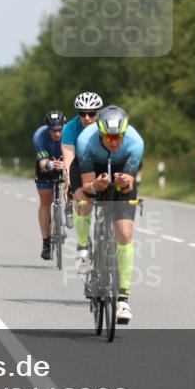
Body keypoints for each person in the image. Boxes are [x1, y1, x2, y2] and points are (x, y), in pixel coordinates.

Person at [75, 105, 144, 325]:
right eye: (108, 137)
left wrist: (124, 184)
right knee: (83, 199)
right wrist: (95, 185)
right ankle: (83, 246)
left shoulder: (135, 143)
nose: (113, 142)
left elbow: (128, 186)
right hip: (94, 166)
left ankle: (123, 299)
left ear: (124, 133)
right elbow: (87, 186)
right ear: (100, 133)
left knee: (124, 234)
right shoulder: (86, 140)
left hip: (122, 167)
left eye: (117, 137)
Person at [61, 92, 103, 231]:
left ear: (99, 112)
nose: (87, 118)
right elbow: (69, 158)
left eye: (91, 114)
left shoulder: (106, 125)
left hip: (100, 162)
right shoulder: (70, 128)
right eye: (82, 113)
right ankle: (84, 240)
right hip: (80, 163)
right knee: (82, 201)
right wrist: (68, 180)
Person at [33, 110, 66, 260]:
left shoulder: (70, 133)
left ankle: (71, 209)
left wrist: (66, 165)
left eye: (59, 130)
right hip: (47, 166)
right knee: (46, 200)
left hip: (66, 163)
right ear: (48, 129)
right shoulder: (39, 136)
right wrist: (50, 165)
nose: (57, 134)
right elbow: (42, 163)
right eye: (53, 131)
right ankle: (46, 242)